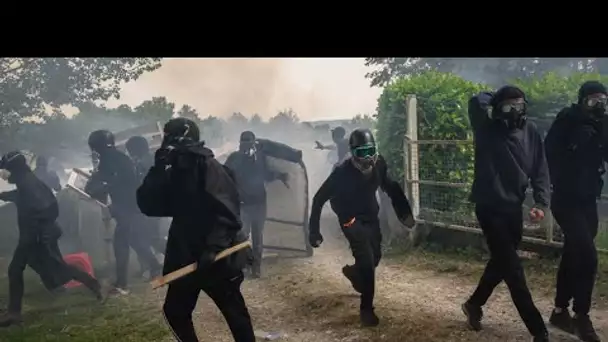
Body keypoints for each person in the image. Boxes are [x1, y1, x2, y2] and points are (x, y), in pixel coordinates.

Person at [137, 117, 255, 342]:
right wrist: (158, 169)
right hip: (185, 252)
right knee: (176, 312)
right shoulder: (172, 170)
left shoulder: (209, 166)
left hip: (219, 252)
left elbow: (227, 211)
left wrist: (213, 248)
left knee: (234, 310)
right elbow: (148, 206)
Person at [462, 86, 550, 342]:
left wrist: (541, 202)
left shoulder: (530, 131)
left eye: (519, 106)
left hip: (514, 208)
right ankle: (538, 330)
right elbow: (475, 102)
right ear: (498, 109)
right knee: (513, 270)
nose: (515, 111)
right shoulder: (486, 129)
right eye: (509, 107)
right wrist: (495, 96)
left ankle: (474, 304)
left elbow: (540, 168)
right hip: (489, 208)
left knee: (502, 262)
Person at [307, 128, 415, 327]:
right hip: (349, 217)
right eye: (361, 153)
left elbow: (392, 187)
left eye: (370, 151)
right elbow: (318, 199)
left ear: (375, 150)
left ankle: (356, 273)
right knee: (366, 259)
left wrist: (404, 214)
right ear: (352, 153)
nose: (367, 159)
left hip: (370, 214)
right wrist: (313, 230)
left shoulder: (379, 163)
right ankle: (366, 309)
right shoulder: (340, 173)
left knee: (375, 257)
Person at [0, 151, 102, 327]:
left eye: (5, 169)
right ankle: (87, 284)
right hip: (34, 236)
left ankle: (14, 313)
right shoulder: (26, 180)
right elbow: (20, 196)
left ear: (13, 169)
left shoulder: (27, 183)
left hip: (36, 236)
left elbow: (47, 207)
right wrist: (3, 196)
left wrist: (42, 236)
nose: (3, 173)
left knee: (21, 269)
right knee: (45, 267)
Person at [544, 81, 607, 342]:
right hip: (565, 198)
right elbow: (548, 152)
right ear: (581, 100)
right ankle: (582, 316)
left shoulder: (603, 123)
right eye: (593, 100)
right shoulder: (567, 119)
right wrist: (573, 146)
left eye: (603, 100)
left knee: (574, 252)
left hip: (588, 198)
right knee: (588, 256)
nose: (599, 105)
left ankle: (559, 311)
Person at [86, 130, 162, 295]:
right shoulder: (112, 158)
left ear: (97, 146)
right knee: (134, 240)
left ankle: (122, 284)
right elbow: (109, 180)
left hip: (129, 206)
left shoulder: (114, 159)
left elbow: (123, 182)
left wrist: (102, 187)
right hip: (127, 206)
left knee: (120, 243)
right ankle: (155, 266)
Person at [224, 131, 288, 278]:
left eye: (249, 141)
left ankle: (256, 267)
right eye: (244, 141)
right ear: (240, 143)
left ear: (254, 142)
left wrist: (279, 176)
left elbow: (265, 174)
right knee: (243, 236)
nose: (246, 144)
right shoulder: (234, 158)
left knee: (257, 237)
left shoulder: (259, 158)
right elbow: (224, 175)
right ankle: (246, 265)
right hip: (242, 205)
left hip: (259, 203)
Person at [125, 135, 166, 278]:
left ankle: (155, 264)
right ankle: (156, 264)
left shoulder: (144, 163)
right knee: (151, 238)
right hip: (153, 205)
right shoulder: (150, 159)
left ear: (134, 150)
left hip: (148, 207)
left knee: (137, 238)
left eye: (130, 150)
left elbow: (140, 184)